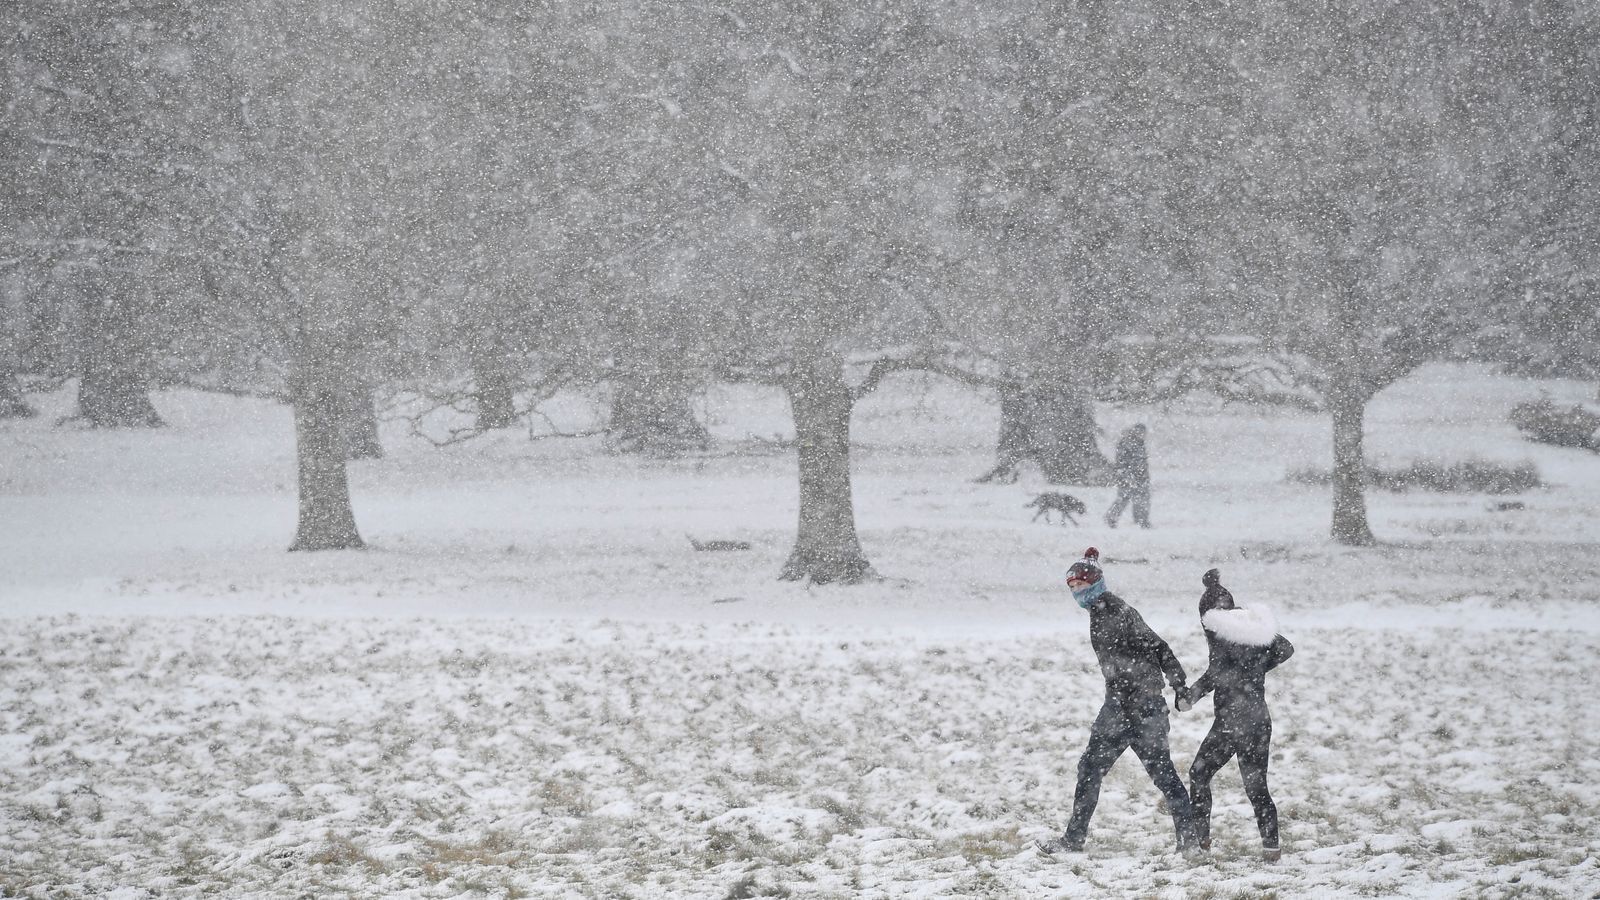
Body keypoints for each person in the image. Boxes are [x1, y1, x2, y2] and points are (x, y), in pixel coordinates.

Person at [1037, 548, 1200, 856]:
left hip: (1136, 707)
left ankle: (1187, 844)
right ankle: (1186, 843)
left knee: (1144, 772)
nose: (1077, 594)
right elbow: (1155, 649)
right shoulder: (1103, 610)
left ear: (1096, 583)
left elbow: (1158, 647)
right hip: (1129, 706)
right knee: (1106, 769)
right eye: (1072, 588)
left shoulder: (1114, 611)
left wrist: (1178, 685)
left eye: (1081, 586)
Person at [1179, 569, 1294, 861]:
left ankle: (1201, 841)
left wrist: (1190, 696)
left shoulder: (1224, 636)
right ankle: (1272, 849)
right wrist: (1256, 667)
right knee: (1257, 788)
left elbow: (1216, 675)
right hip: (1257, 720)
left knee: (1200, 773)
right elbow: (1285, 648)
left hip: (1233, 723)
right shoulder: (1246, 633)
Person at [1105, 424, 1150, 529]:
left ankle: (1141, 520)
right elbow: (1121, 462)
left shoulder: (1140, 443)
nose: (1142, 435)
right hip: (1127, 477)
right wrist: (1128, 475)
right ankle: (1111, 517)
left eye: (1143, 433)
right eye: (1140, 433)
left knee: (1142, 499)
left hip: (1140, 477)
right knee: (1124, 498)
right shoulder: (1126, 443)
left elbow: (1142, 462)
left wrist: (1144, 475)